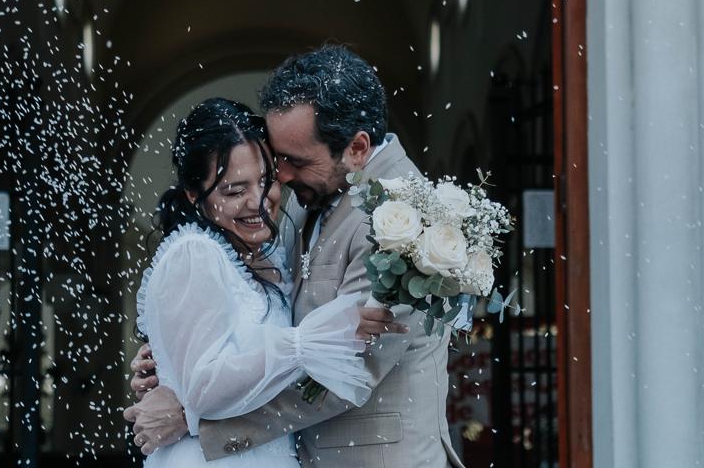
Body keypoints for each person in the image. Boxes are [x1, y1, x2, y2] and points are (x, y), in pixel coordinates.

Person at [127, 46, 467, 467]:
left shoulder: (404, 217)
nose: (281, 178)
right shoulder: (317, 193)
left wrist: (193, 417)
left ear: (357, 148)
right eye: (277, 161)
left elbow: (349, 367)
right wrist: (173, 363)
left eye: (293, 161)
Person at [132, 96, 403, 466]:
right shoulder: (195, 254)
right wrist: (303, 342)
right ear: (194, 196)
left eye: (266, 180)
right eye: (234, 190)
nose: (258, 202)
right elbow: (202, 388)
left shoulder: (270, 252)